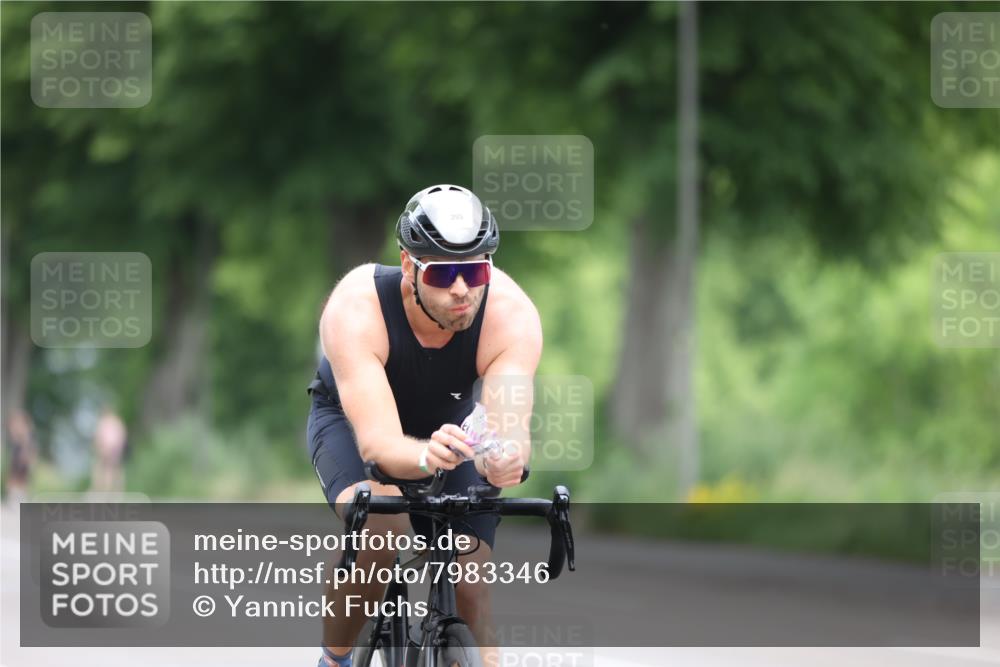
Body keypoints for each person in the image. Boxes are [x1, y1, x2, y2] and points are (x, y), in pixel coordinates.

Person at [307, 184, 542, 667]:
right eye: (443, 272)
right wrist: (421, 457)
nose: (462, 289)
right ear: (409, 265)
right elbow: (378, 444)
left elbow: (509, 425)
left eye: (475, 270)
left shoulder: (510, 315)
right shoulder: (356, 307)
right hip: (353, 424)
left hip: (452, 432)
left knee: (471, 584)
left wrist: (505, 460)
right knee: (381, 524)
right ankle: (334, 659)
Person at [91, 407, 127, 493]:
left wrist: (99, 447)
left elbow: (99, 436)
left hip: (107, 448)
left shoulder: (104, 422)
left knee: (105, 469)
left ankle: (104, 489)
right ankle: (114, 490)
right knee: (113, 469)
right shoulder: (117, 422)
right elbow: (122, 436)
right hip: (115, 449)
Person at [4, 409, 36, 506]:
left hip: (22, 464)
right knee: (15, 485)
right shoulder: (18, 438)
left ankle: (19, 499)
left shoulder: (26, 437)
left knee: (20, 483)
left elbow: (29, 453)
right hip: (17, 463)